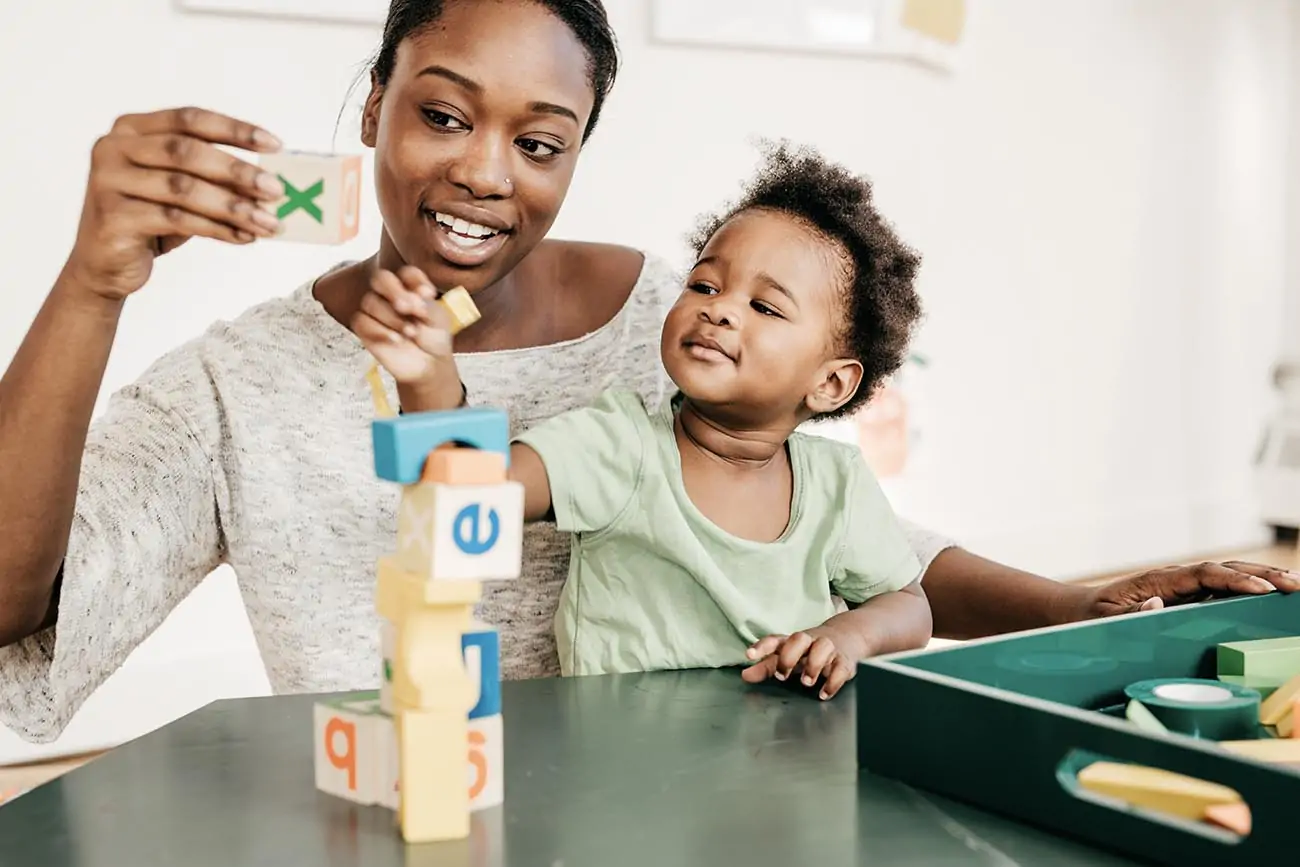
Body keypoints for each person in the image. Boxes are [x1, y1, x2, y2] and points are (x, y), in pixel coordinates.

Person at [0, 0, 1294, 743]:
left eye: (541, 137)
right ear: (374, 100)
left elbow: (856, 539)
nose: (487, 171)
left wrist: (1081, 606)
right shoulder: (242, 382)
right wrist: (94, 279)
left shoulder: (668, 332)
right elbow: (460, 501)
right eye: (442, 112)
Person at [363, 142, 933, 699]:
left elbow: (910, 606)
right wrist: (427, 374)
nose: (720, 307)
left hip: (779, 768)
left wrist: (845, 636)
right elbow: (473, 488)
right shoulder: (619, 444)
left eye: (765, 307)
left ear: (830, 383)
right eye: (704, 285)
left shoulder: (838, 483)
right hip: (623, 770)